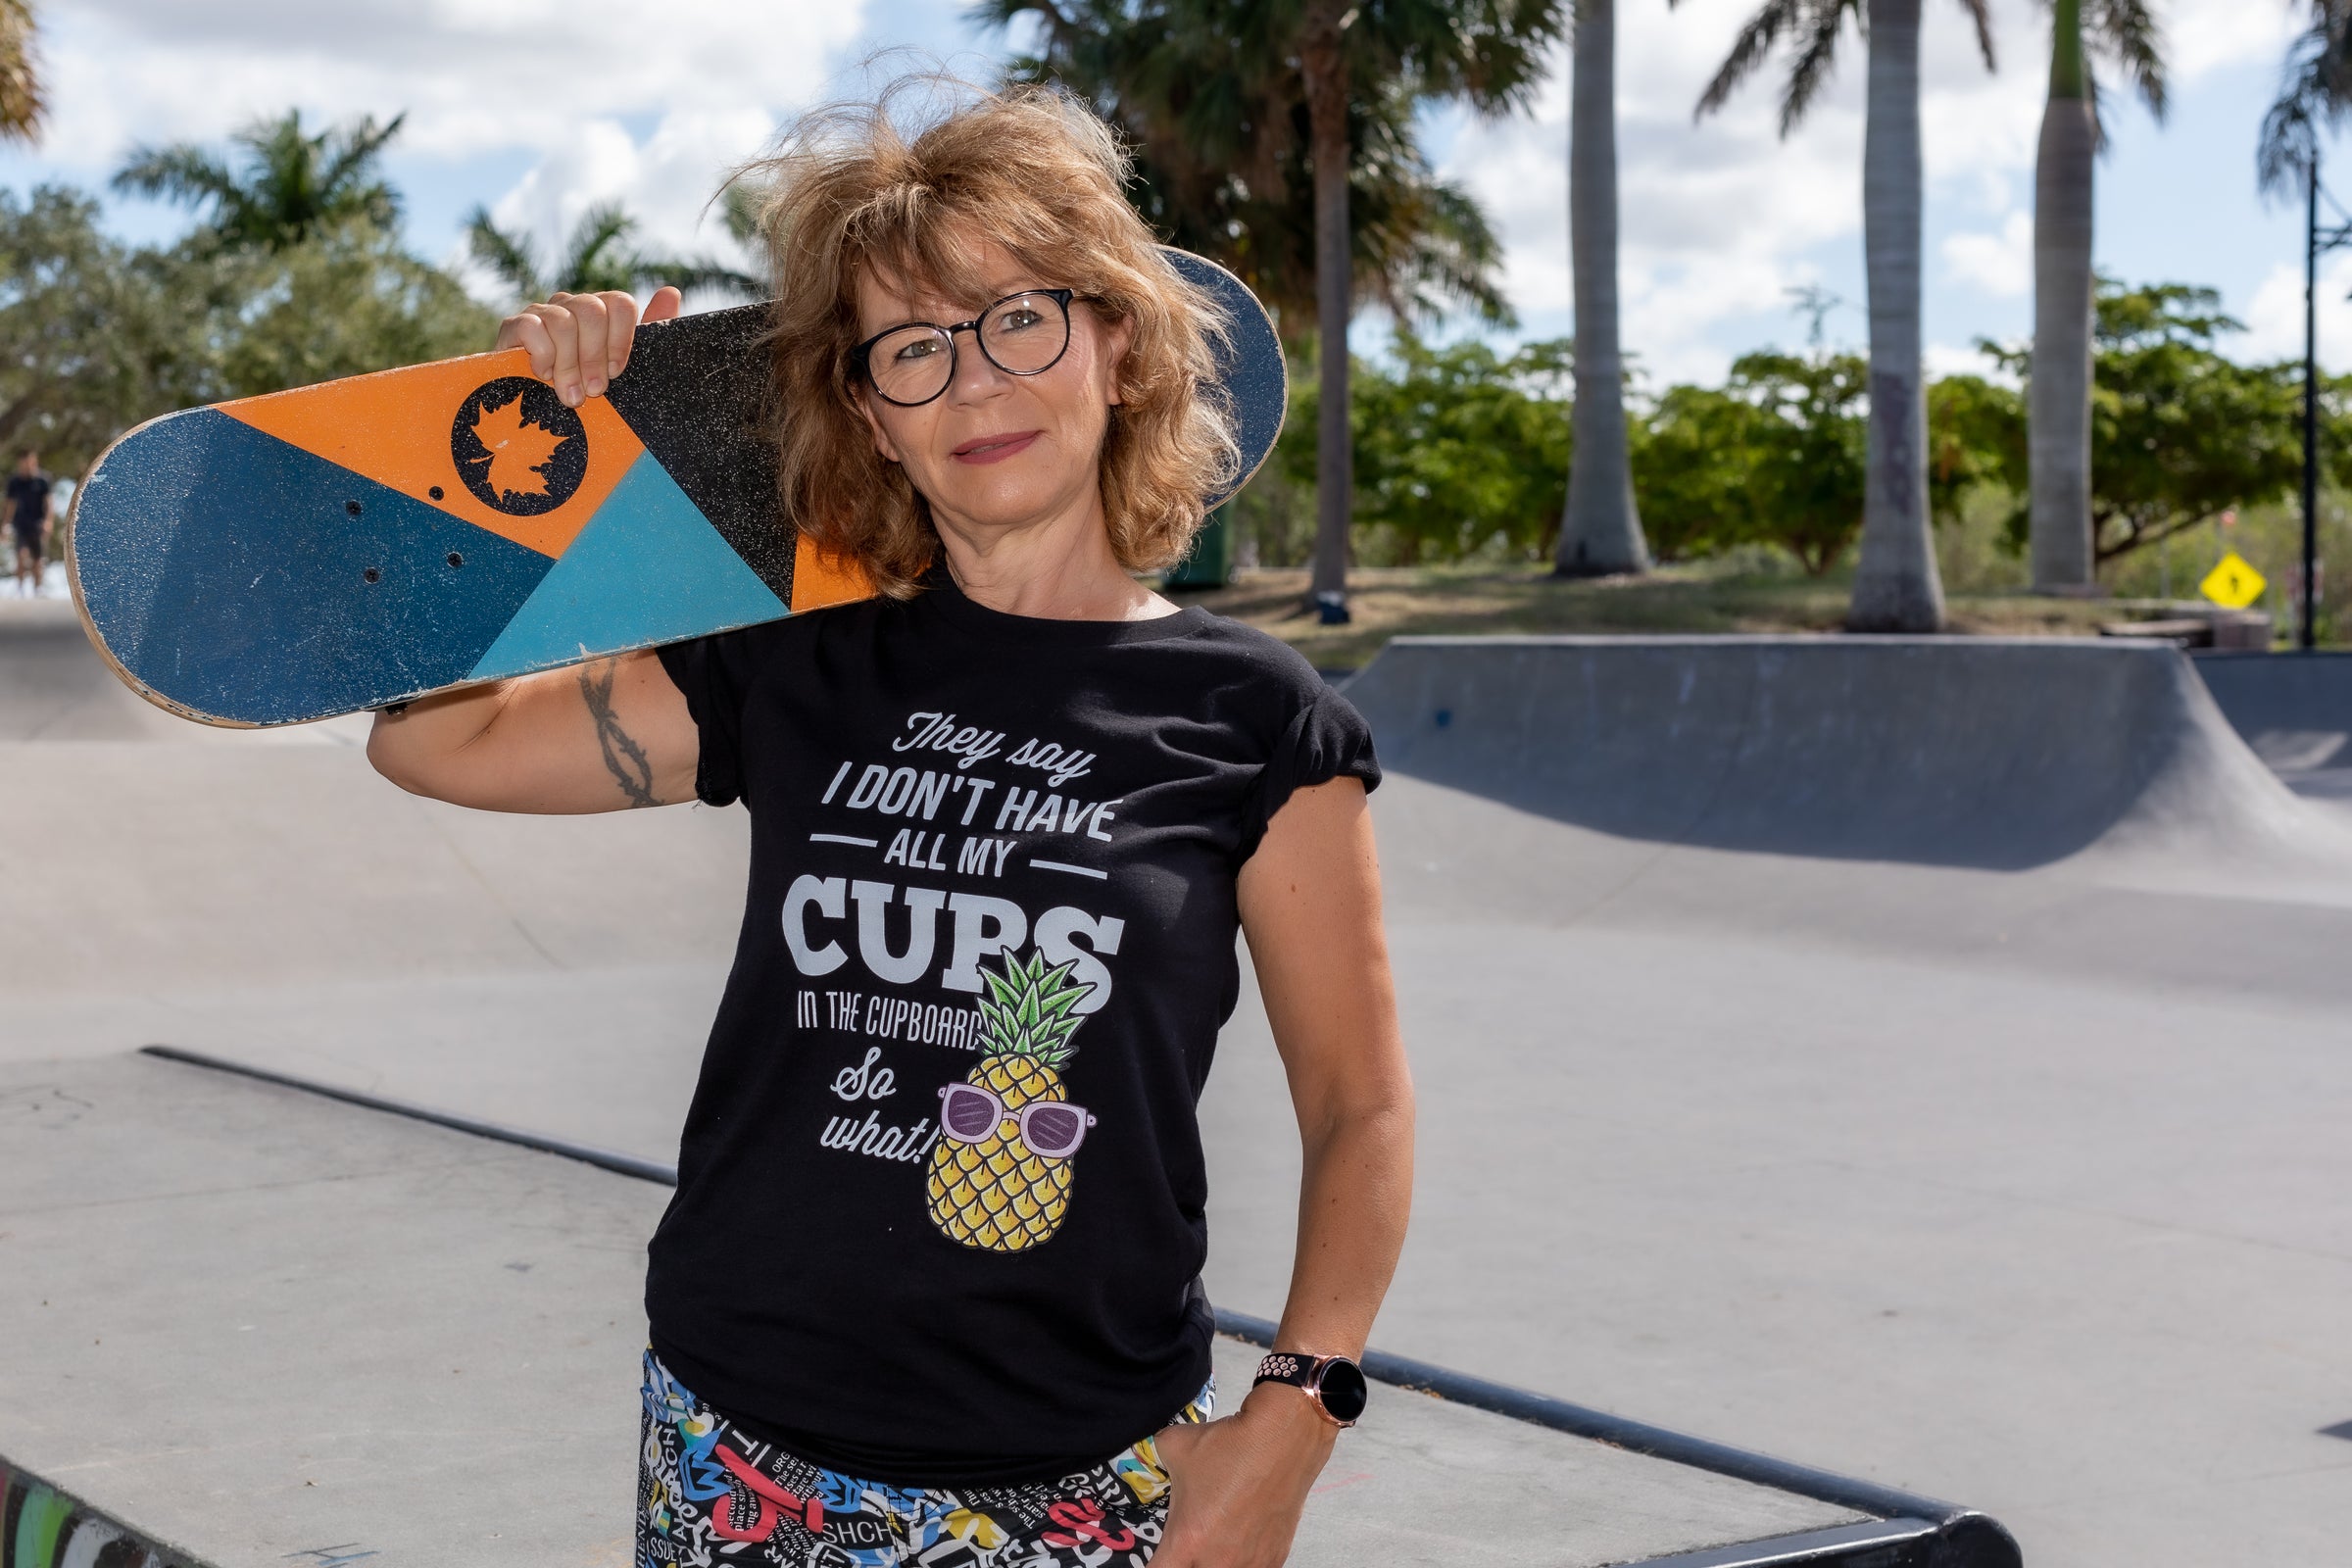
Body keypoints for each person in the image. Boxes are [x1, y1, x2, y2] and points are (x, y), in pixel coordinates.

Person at [368, 82, 1412, 1568]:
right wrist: (523, 455)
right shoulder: (799, 659)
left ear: (1118, 340)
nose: (977, 383)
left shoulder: (1256, 718)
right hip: (745, 1445)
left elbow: (1357, 1108)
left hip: (1089, 1477)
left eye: (1021, 318)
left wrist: (1295, 1425)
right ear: (868, 410)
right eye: (912, 349)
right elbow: (439, 746)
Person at [7, 450, 52, 597]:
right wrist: (4, 524)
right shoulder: (14, 482)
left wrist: (48, 521)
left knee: (38, 560)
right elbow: (10, 505)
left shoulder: (43, 480)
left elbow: (48, 504)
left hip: (37, 525)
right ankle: (19, 587)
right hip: (20, 524)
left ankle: (37, 588)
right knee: (21, 556)